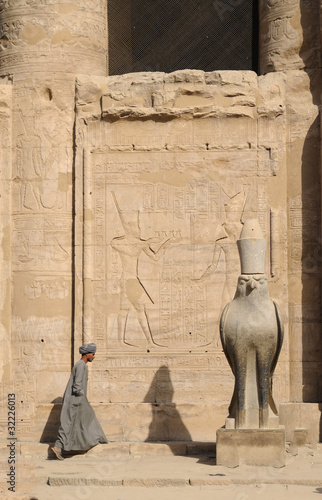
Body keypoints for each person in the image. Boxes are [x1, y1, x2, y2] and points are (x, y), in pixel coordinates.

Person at [51, 343, 108, 460]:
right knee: (69, 423)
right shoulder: (81, 365)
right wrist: (81, 396)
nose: (94, 356)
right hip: (76, 400)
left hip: (78, 400)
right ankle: (58, 446)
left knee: (78, 422)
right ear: (87, 354)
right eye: (93, 354)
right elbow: (77, 386)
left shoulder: (81, 365)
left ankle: (74, 445)